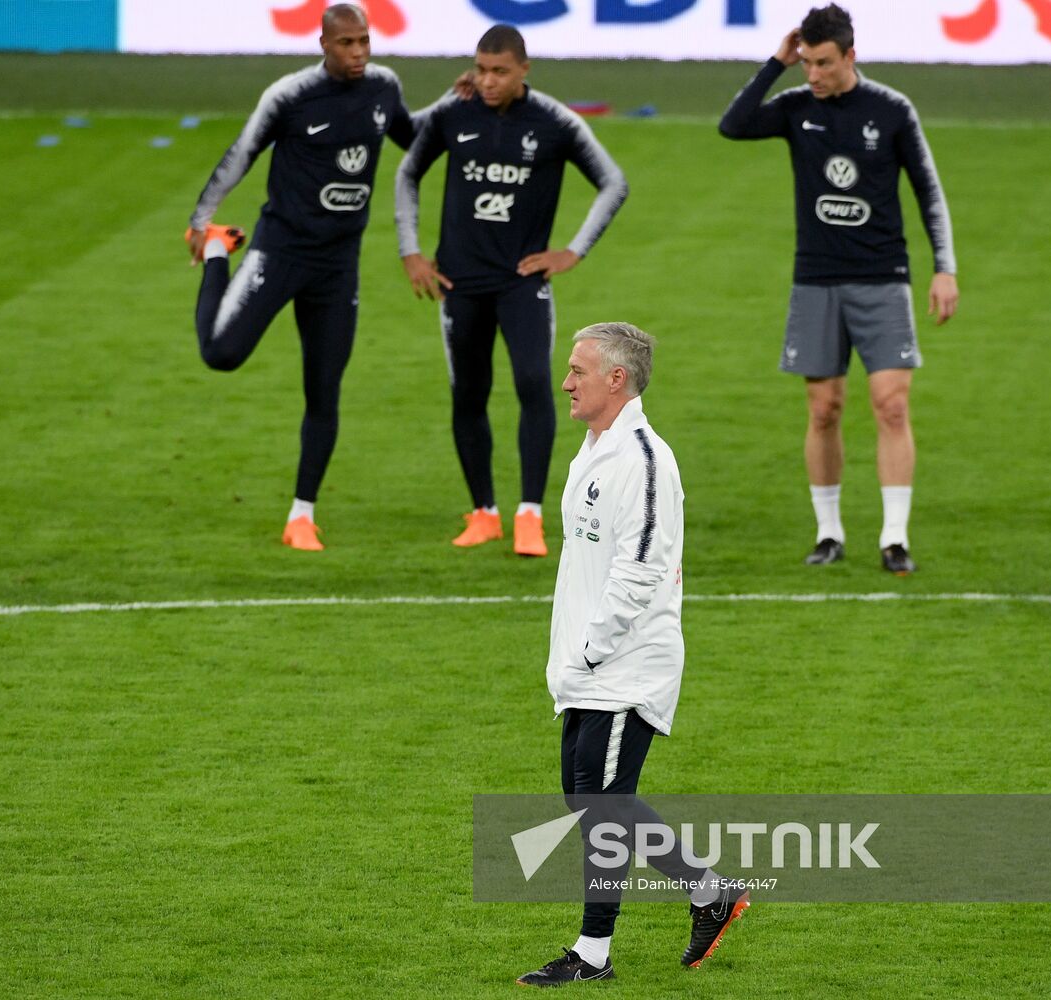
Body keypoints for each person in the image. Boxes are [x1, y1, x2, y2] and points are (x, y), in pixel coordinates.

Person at [517, 322, 749, 987]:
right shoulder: (596, 447)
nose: (566, 382)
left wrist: (592, 648)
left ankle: (593, 955)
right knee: (586, 800)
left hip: (625, 664)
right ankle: (711, 891)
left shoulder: (644, 459)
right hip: (589, 666)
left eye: (578, 371)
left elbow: (643, 569)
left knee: (602, 808)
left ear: (616, 379)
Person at [718, 3, 958, 575]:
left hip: (883, 279)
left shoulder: (892, 110)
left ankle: (894, 539)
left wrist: (943, 267)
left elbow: (928, 191)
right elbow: (733, 124)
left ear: (851, 55)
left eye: (823, 63)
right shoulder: (796, 106)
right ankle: (829, 534)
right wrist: (775, 63)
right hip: (816, 279)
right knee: (824, 408)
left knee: (892, 406)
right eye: (805, 63)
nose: (814, 75)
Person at [187, 3, 434, 552]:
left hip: (337, 267)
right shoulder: (290, 96)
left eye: (365, 42)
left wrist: (462, 109)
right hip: (280, 252)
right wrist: (202, 218)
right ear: (323, 44)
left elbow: (417, 139)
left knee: (324, 391)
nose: (358, 53)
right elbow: (241, 152)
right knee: (221, 354)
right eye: (347, 43)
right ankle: (215, 254)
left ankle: (302, 514)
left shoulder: (383, 88)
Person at [394, 25, 627, 558]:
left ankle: (529, 515)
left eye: (499, 71)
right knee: (468, 393)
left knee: (531, 382)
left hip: (522, 283)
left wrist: (573, 251)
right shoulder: (454, 112)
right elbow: (408, 167)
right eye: (480, 69)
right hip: (460, 283)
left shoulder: (554, 122)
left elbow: (613, 182)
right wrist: (410, 251)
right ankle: (483, 513)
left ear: (525, 69)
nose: (488, 81)